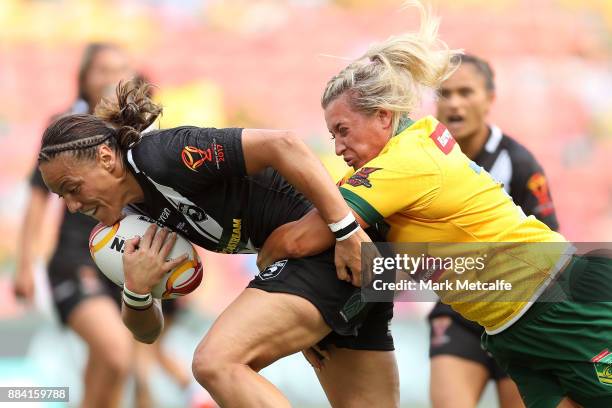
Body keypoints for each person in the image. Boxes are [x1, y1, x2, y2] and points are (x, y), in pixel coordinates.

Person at [256, 2, 612, 407]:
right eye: (332, 135)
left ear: (383, 117)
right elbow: (333, 213)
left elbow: (301, 240)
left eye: (343, 131)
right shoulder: (419, 136)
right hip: (510, 324)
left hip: (557, 303)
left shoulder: (403, 164)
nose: (338, 148)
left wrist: (266, 261)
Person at [35, 78, 399, 407]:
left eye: (72, 188)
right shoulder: (131, 219)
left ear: (104, 158)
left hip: (334, 253)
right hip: (352, 265)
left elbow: (283, 143)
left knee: (215, 361)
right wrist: (137, 291)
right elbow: (148, 334)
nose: (72, 206)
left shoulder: (162, 156)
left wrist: (346, 231)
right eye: (61, 198)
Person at [428, 53, 559, 408]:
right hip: (457, 314)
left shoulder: (518, 163)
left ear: (489, 99)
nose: (454, 103)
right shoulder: (421, 160)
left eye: (465, 92)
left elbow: (552, 249)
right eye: (445, 93)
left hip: (518, 314)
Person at [14, 43, 134, 408]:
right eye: (102, 69)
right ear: (84, 78)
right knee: (117, 353)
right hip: (75, 259)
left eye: (120, 69)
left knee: (108, 369)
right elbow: (38, 199)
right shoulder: (64, 127)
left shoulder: (134, 129)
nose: (112, 78)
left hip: (123, 262)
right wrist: (23, 265)